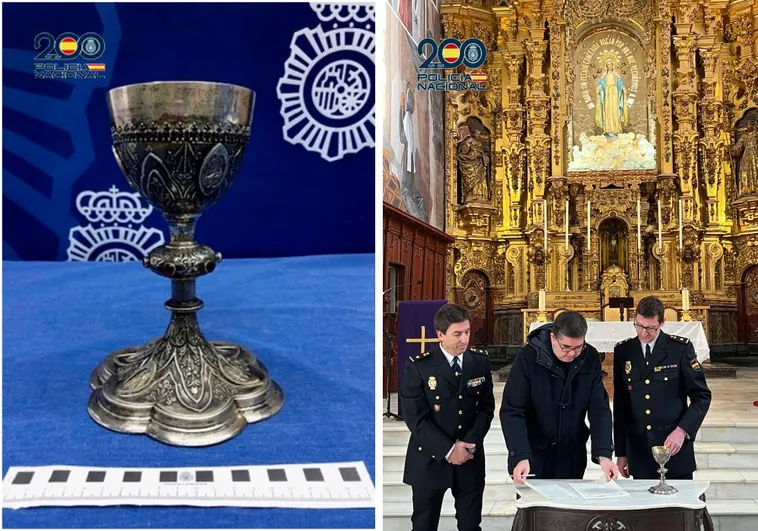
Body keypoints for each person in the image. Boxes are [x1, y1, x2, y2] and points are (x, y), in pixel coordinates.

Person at [400, 303, 495, 531]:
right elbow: (416, 418)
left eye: (467, 332)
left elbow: (486, 408)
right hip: (429, 459)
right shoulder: (419, 367)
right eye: (457, 334)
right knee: (424, 525)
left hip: (470, 459)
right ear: (440, 334)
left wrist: (468, 444)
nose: (464, 339)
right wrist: (450, 449)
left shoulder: (479, 362)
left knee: (471, 525)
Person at [500, 311, 618, 484]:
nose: (571, 354)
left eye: (578, 347)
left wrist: (604, 454)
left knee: (569, 510)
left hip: (571, 454)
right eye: (566, 347)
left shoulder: (589, 357)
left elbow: (599, 409)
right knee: (534, 510)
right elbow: (513, 410)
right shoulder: (529, 357)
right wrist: (520, 455)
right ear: (553, 337)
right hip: (533, 455)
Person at [613, 296, 712, 480]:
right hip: (639, 449)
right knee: (645, 507)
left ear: (662, 323)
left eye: (651, 328)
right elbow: (621, 407)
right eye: (639, 326)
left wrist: (682, 431)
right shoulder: (624, 351)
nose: (644, 333)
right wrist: (621, 452)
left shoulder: (680, 349)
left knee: (677, 506)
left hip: (673, 446)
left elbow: (701, 396)